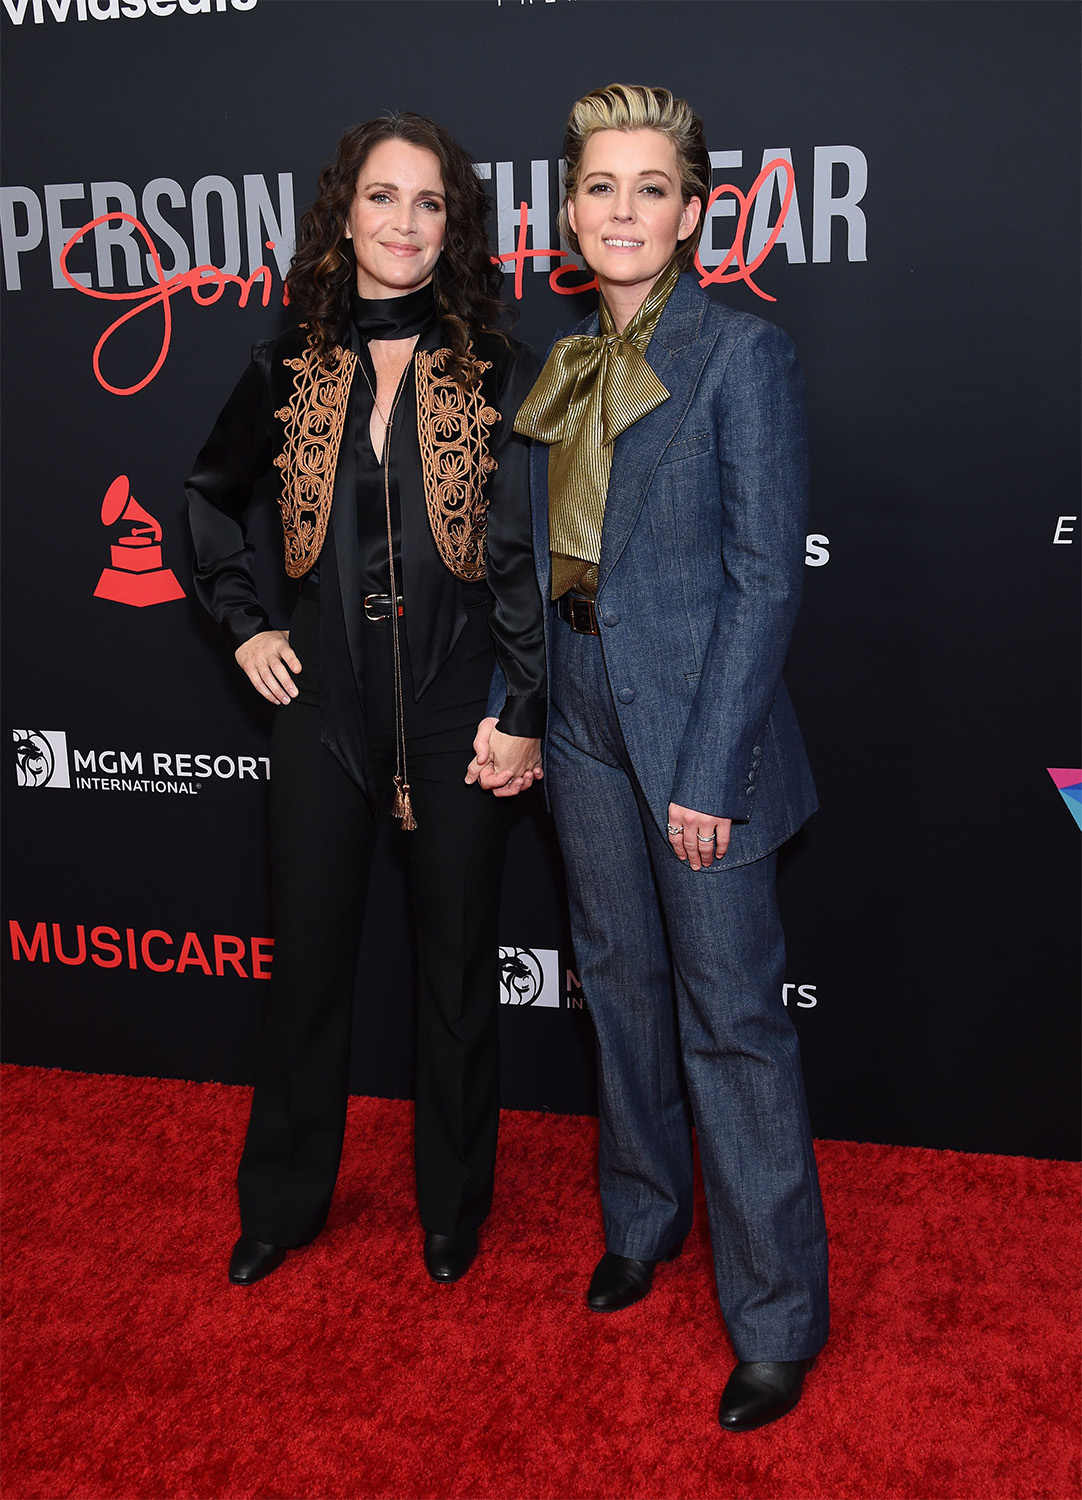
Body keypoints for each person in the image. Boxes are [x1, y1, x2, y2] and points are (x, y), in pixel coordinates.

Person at [505, 83, 829, 1432]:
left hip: (700, 744)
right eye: (598, 186)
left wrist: (707, 771)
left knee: (733, 1023)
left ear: (691, 212)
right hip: (580, 719)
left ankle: (774, 1316)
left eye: (648, 187)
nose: (620, 210)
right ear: (567, 209)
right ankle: (641, 1218)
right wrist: (518, 704)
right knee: (620, 989)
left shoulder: (737, 357)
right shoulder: (562, 358)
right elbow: (538, 569)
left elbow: (763, 582)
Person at [186, 113, 545, 1290]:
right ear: (345, 215)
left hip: (457, 711)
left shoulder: (497, 367)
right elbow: (206, 496)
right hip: (321, 707)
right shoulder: (290, 359)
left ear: (455, 225)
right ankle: (282, 1201)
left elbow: (533, 559)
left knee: (454, 972)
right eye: (383, 199)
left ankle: (453, 1204)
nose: (404, 222)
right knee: (308, 971)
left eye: (428, 202)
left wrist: (520, 702)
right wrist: (246, 628)